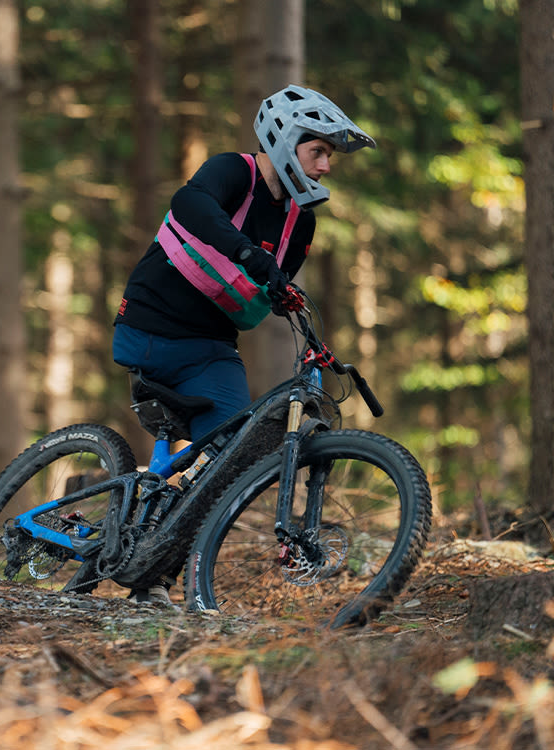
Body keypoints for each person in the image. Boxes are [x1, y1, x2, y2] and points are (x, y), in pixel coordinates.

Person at [112, 84, 375, 605]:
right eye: (317, 151)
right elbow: (189, 202)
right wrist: (248, 252)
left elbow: (272, 283)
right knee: (223, 452)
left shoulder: (303, 221)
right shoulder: (236, 172)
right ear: (286, 140)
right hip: (150, 329)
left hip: (211, 347)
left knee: (233, 459)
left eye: (329, 155)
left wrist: (283, 295)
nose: (326, 165)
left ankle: (155, 575)